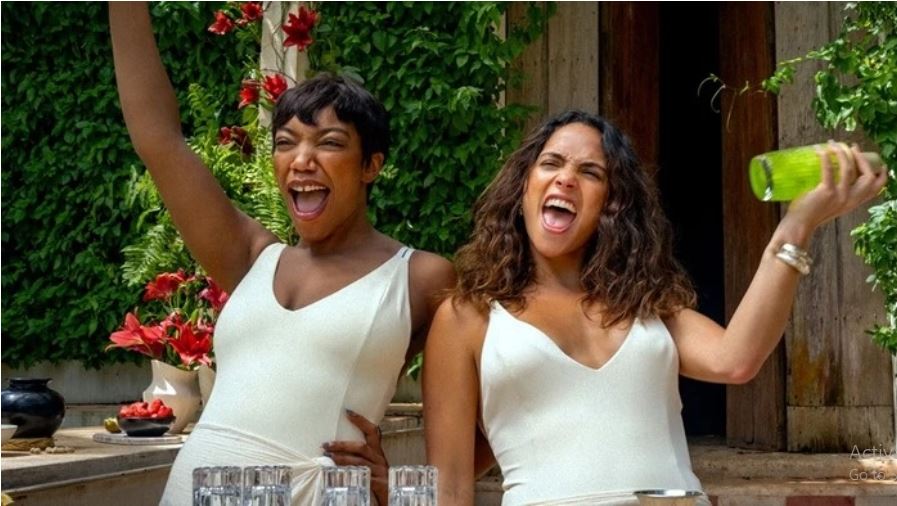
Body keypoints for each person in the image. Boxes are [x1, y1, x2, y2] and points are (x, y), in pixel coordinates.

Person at [423, 110, 888, 505]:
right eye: (551, 163)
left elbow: (737, 358)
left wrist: (797, 226)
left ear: (611, 205)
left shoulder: (643, 302)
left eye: (591, 172)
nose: (566, 178)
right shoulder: (468, 317)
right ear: (523, 187)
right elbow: (450, 487)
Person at [109, 3, 454, 505]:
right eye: (286, 142)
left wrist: (398, 487)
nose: (302, 160)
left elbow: (498, 418)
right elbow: (158, 140)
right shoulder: (250, 256)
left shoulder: (421, 277)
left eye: (329, 143)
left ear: (371, 166)